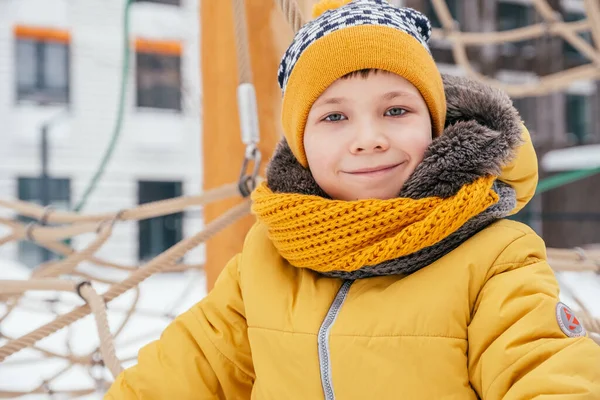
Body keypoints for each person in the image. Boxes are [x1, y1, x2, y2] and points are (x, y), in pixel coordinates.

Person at [105, 0, 600, 398]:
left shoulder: (495, 257)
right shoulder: (267, 259)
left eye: (397, 110)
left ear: (434, 123)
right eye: (334, 117)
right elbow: (193, 368)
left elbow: (542, 366)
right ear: (301, 144)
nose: (369, 139)